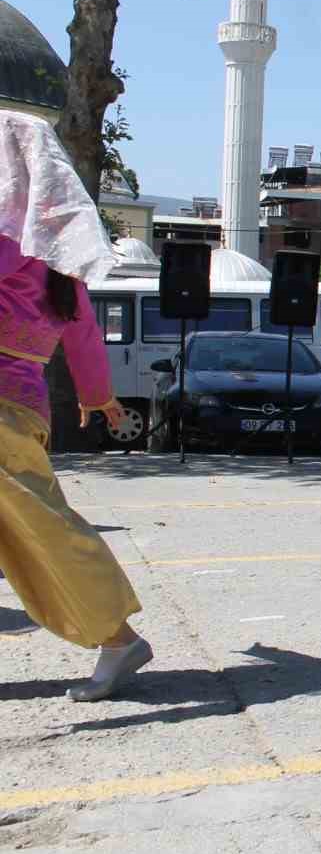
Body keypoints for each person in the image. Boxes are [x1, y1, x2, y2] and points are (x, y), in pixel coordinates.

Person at [0, 109, 150, 701]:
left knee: (41, 527)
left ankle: (117, 636)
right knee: (34, 526)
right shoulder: (62, 264)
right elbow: (84, 337)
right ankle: (116, 638)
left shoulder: (11, 246)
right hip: (24, 405)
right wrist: (100, 397)